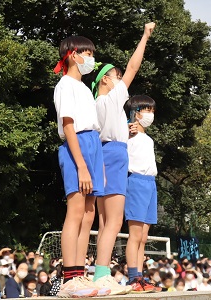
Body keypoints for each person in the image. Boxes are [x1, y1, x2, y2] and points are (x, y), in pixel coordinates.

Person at [89, 22, 155, 291]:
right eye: (115, 76)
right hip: (114, 155)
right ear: (105, 79)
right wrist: (145, 36)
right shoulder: (111, 99)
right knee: (113, 222)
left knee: (106, 222)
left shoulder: (97, 104)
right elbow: (133, 67)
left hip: (104, 151)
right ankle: (102, 276)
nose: (120, 78)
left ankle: (100, 274)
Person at [53, 35, 104, 298]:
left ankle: (80, 274)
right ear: (73, 54)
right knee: (75, 210)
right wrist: (82, 166)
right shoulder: (65, 85)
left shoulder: (85, 88)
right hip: (77, 147)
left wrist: (96, 164)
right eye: (88, 53)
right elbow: (69, 125)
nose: (91, 59)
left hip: (93, 144)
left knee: (89, 212)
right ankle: (69, 277)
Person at [123, 95, 161, 293]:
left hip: (150, 183)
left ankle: (140, 277)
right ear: (135, 113)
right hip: (136, 181)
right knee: (135, 234)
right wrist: (128, 127)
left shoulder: (147, 138)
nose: (150, 114)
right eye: (146, 110)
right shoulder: (129, 132)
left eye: (152, 111)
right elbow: (121, 133)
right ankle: (133, 277)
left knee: (144, 236)